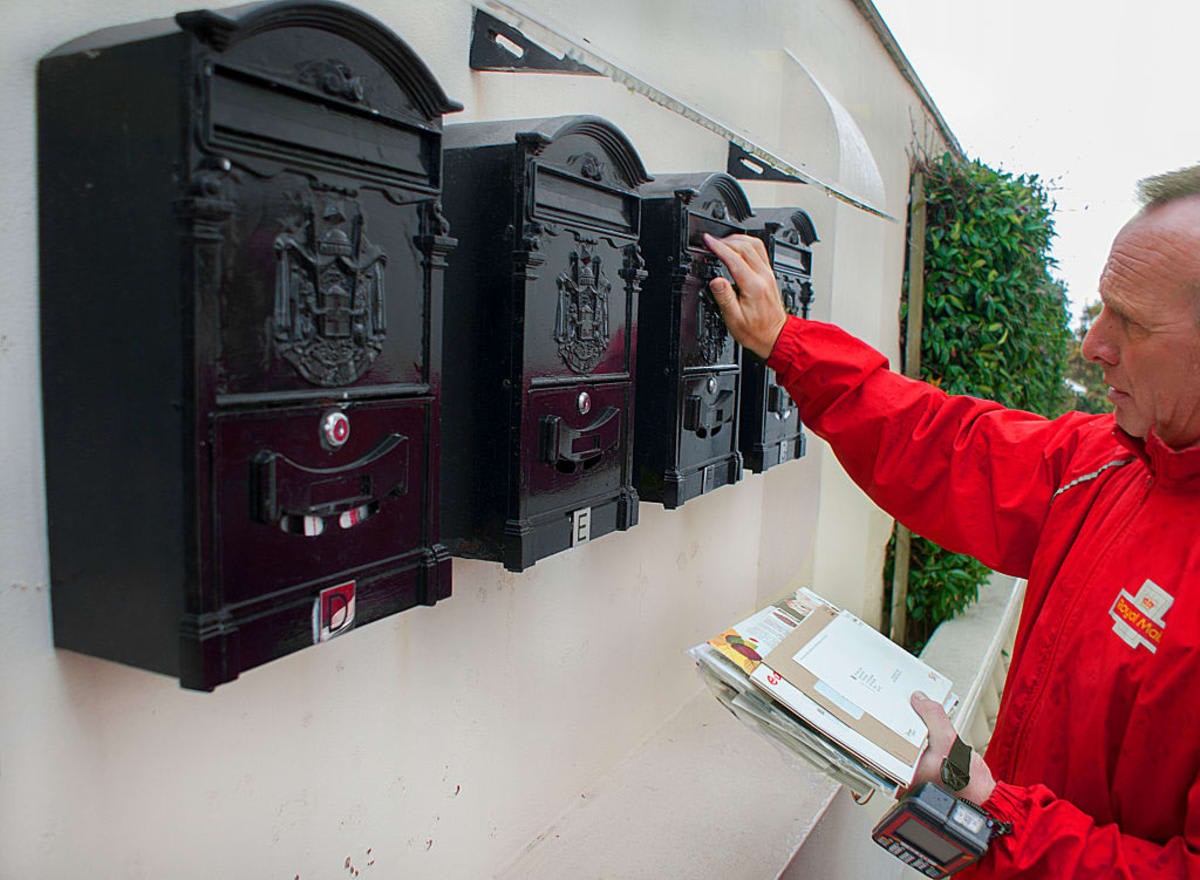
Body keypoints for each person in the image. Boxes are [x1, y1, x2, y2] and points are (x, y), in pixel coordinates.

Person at [702, 165, 1200, 878]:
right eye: (1102, 308)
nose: (1093, 345)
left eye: (1133, 322)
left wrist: (999, 819)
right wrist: (788, 342)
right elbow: (944, 447)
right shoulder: (1114, 463)